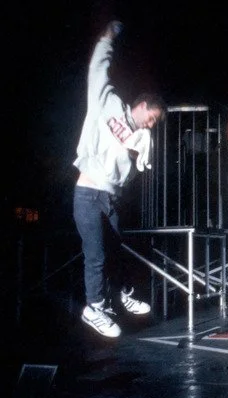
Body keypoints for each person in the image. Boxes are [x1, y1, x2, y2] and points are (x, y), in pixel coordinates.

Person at [72, 20, 167, 338]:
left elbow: (133, 172)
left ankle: (124, 294)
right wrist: (106, 40)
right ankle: (94, 308)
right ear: (141, 106)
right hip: (87, 191)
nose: (150, 126)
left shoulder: (143, 137)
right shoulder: (107, 102)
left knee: (118, 248)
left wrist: (141, 146)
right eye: (150, 119)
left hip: (109, 196)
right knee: (95, 253)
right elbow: (97, 71)